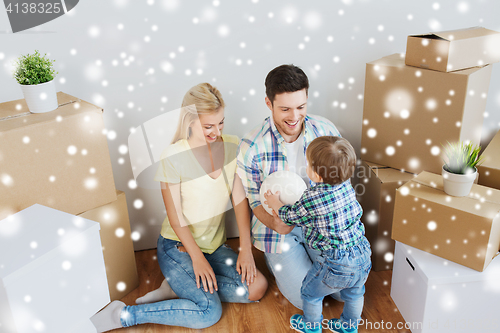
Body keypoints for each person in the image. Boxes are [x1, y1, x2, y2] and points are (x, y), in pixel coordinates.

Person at [90, 83, 268, 332]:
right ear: (190, 121)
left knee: (257, 286)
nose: (216, 131)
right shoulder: (173, 156)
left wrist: (246, 249)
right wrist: (196, 257)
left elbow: (240, 200)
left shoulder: (232, 145)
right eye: (208, 126)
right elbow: (176, 218)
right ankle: (124, 315)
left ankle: (178, 287)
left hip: (215, 246)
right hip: (178, 245)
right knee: (208, 312)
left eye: (220, 123)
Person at [236, 64, 342, 311]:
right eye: (284, 109)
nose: (294, 117)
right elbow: (251, 199)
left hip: (319, 223)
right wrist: (274, 223)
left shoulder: (326, 131)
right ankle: (289, 263)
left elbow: (340, 184)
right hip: (278, 232)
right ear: (268, 103)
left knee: (342, 293)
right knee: (308, 300)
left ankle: (313, 263)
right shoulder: (251, 146)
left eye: (301, 107)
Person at [264, 136, 371, 333]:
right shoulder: (346, 185)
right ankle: (349, 326)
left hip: (336, 262)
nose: (306, 166)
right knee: (355, 293)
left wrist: (274, 202)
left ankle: (311, 325)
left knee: (310, 293)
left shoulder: (312, 199)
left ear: (317, 175)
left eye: (308, 164)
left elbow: (289, 215)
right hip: (362, 254)